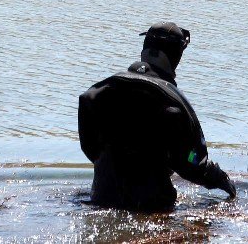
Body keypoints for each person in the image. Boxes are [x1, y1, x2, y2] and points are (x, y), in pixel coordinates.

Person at [78, 22, 236, 212]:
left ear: (144, 49)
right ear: (177, 56)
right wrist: (222, 180)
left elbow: (90, 149)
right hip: (152, 207)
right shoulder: (175, 103)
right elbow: (193, 162)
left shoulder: (98, 93)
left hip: (100, 199)